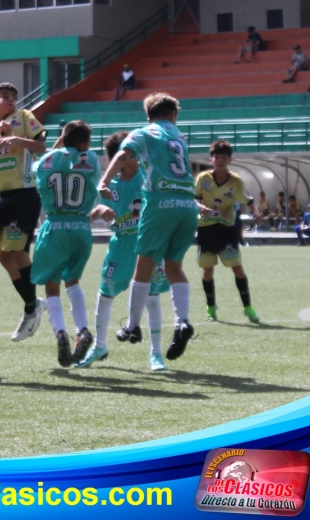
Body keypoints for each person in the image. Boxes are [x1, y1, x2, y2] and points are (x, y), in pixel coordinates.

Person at [98, 92, 197, 361]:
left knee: (143, 266)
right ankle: (183, 322)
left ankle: (131, 327)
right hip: (188, 205)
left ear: (148, 115)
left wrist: (103, 181)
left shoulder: (145, 132)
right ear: (174, 114)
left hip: (160, 202)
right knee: (174, 266)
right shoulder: (179, 136)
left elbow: (122, 154)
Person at [75, 130, 170, 371]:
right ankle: (100, 346)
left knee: (151, 296)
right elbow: (89, 215)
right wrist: (99, 212)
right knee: (105, 293)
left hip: (147, 244)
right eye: (128, 155)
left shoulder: (148, 178)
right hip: (120, 245)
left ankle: (156, 353)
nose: (134, 159)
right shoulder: (108, 186)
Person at [0, 82, 47, 342]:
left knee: (17, 251)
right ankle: (33, 304)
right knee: (4, 257)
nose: (10, 101)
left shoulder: (24, 117)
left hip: (25, 194)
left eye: (13, 97)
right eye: (4, 97)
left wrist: (17, 139)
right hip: (4, 198)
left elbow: (41, 147)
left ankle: (31, 309)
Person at [30, 120, 100, 368]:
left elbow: (34, 169)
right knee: (73, 282)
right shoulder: (90, 157)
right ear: (82, 143)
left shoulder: (49, 159)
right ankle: (82, 330)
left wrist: (56, 148)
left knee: (52, 286)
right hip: (81, 226)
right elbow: (94, 181)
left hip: (55, 225)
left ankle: (60, 333)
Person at [195, 140, 261, 324]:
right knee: (207, 271)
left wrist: (256, 212)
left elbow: (247, 200)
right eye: (217, 157)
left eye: (224, 157)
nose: (220, 160)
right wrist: (201, 207)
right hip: (205, 228)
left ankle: (247, 307)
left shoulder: (236, 181)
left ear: (230, 160)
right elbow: (194, 199)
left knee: (237, 269)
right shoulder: (203, 178)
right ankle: (211, 308)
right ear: (211, 159)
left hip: (226, 229)